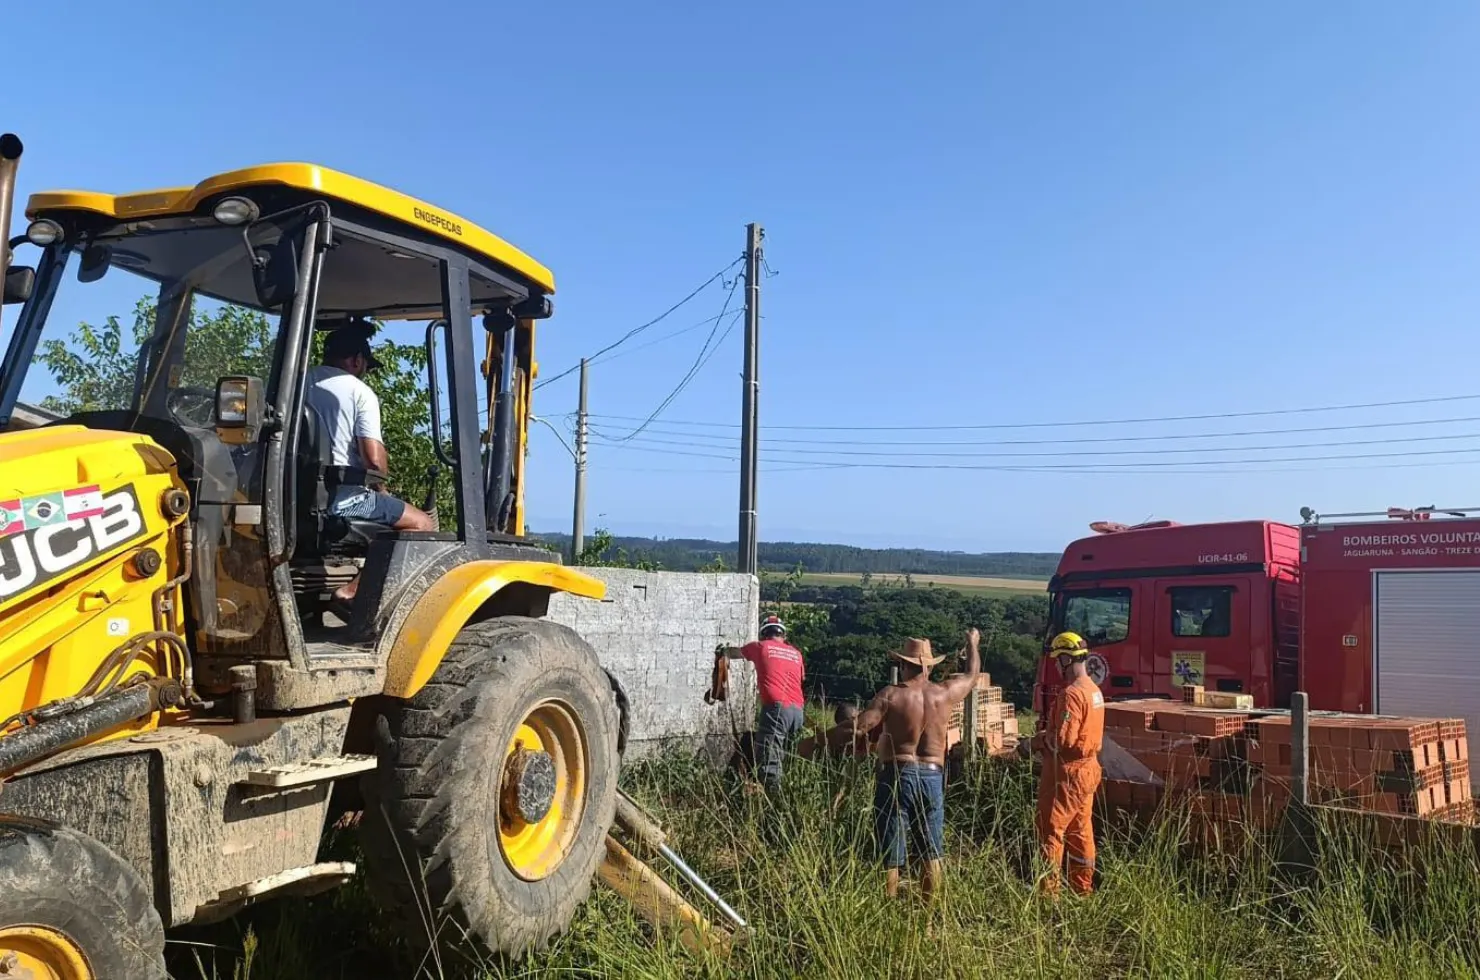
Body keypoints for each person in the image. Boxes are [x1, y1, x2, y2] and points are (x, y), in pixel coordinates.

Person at [307, 322, 434, 615]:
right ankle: (352, 592)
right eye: (366, 365)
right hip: (342, 500)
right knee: (423, 525)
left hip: (292, 501)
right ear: (357, 360)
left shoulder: (295, 383)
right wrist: (382, 488)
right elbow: (374, 461)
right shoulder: (359, 392)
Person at [847, 628, 980, 900]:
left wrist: (829, 736)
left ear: (903, 665)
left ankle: (889, 911)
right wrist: (973, 644)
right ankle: (928, 921)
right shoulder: (945, 693)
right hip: (932, 776)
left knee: (891, 850)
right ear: (928, 666)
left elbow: (861, 726)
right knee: (932, 850)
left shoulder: (891, 695)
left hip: (897, 773)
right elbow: (972, 676)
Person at [1030, 631, 1106, 897]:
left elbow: (1061, 740)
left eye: (1057, 660)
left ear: (1066, 658)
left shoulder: (1072, 694)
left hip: (1067, 772)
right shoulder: (1094, 691)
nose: (1055, 665)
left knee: (1051, 829)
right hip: (1089, 769)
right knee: (1081, 830)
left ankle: (1048, 896)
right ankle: (1082, 889)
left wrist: (1034, 743)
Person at [715, 616, 807, 794]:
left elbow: (735, 653)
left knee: (769, 758)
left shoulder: (760, 647)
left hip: (776, 709)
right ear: (783, 634)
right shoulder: (796, 653)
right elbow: (801, 678)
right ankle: (790, 795)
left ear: (764, 633)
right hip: (798, 711)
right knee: (788, 756)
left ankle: (773, 802)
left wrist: (723, 651)